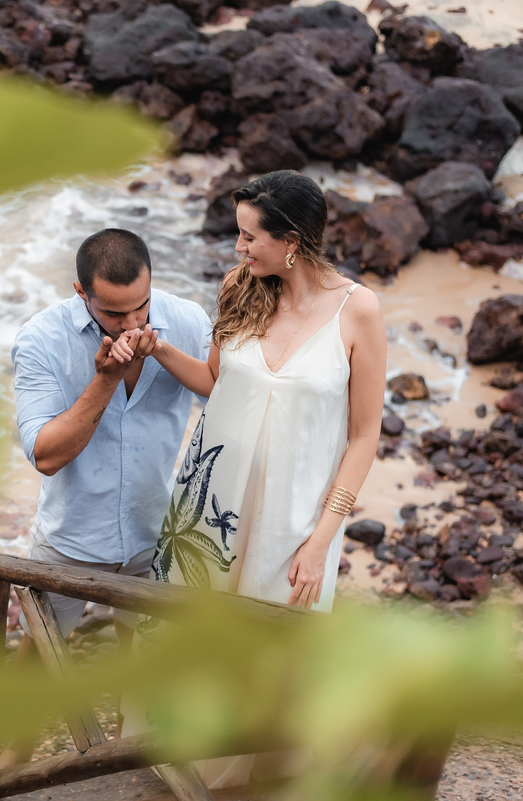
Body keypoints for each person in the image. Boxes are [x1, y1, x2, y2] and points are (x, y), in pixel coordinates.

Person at [140, 170, 387, 787]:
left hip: (295, 518)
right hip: (210, 504)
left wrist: (322, 539)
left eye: (250, 236)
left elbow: (364, 436)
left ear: (293, 241)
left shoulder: (359, 312)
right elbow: (216, 384)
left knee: (276, 655)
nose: (239, 247)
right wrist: (159, 349)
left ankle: (259, 782)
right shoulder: (240, 289)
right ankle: (178, 767)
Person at [1, 228, 212, 767]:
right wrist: (103, 380)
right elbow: (44, 453)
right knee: (37, 662)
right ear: (81, 292)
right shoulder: (41, 340)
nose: (132, 324)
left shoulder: (184, 320)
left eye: (140, 307)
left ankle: (120, 765)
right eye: (114, 314)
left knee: (137, 667)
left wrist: (160, 347)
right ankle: (8, 765)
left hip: (153, 533)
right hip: (70, 538)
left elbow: (223, 387)